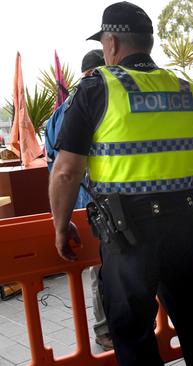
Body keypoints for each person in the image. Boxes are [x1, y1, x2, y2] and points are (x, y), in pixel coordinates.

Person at [48, 2, 193, 365]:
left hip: (128, 235)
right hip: (186, 224)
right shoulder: (187, 89)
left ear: (111, 43)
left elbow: (66, 171)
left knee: (132, 333)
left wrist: (60, 224)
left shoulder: (97, 88)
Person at [44, 49, 113, 351]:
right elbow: (63, 169)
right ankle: (105, 329)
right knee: (102, 269)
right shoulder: (91, 102)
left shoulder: (57, 115)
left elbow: (53, 166)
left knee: (100, 269)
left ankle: (106, 329)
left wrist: (62, 213)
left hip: (83, 202)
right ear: (92, 74)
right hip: (99, 203)